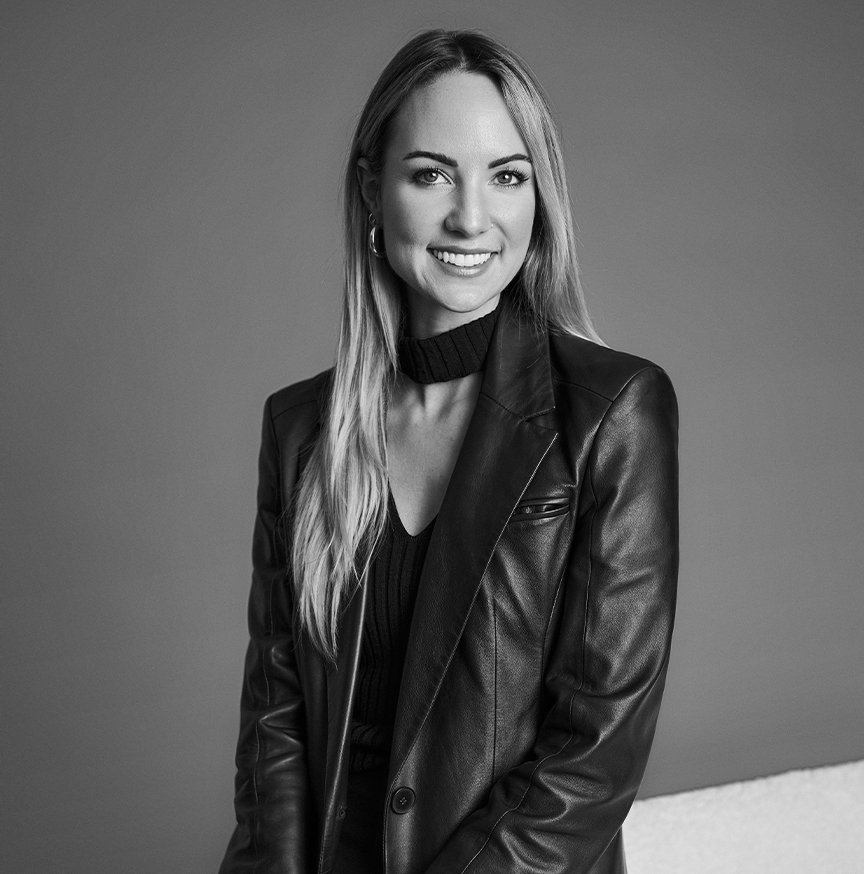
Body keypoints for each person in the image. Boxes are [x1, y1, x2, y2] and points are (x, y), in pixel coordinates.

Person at [219, 29, 678, 874]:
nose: (471, 216)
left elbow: (595, 751)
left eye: (507, 176)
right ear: (372, 190)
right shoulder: (302, 430)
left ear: (540, 198)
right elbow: (274, 727)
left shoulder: (612, 412)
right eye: (432, 174)